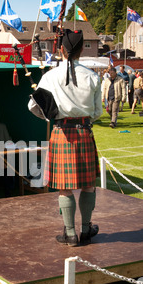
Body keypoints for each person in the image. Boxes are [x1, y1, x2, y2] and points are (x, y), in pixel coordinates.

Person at [35, 29, 102, 247]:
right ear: (82, 50)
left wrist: (50, 116)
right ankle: (85, 230)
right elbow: (98, 112)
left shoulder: (49, 76)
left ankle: (70, 234)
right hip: (84, 132)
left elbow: (33, 106)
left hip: (61, 133)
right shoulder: (93, 76)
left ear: (61, 50)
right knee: (88, 185)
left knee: (64, 186)